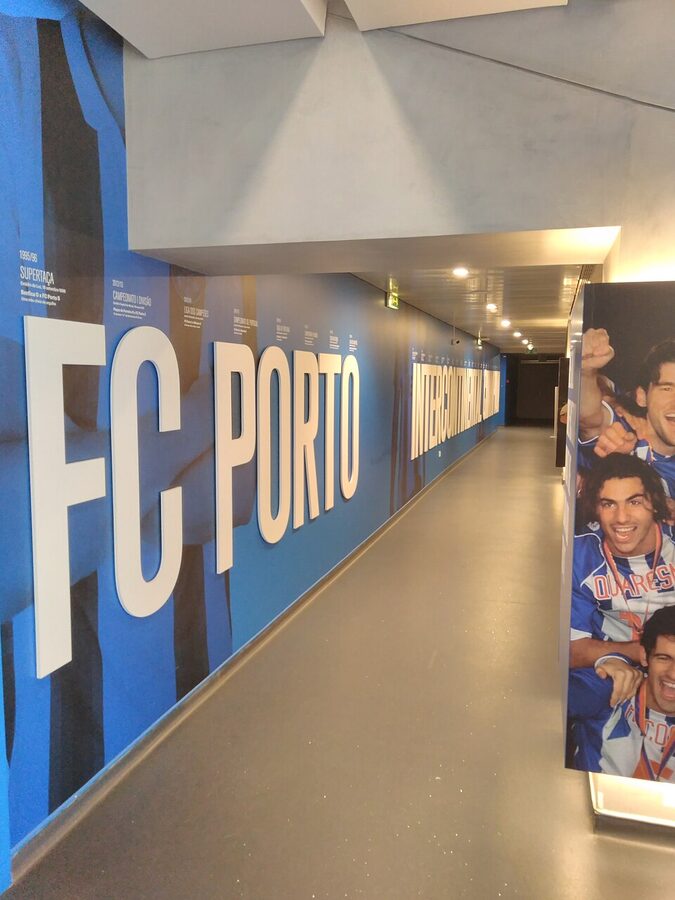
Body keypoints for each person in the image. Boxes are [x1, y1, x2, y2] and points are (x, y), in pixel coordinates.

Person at [570, 453, 675, 705]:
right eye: (608, 504)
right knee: (572, 695)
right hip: (614, 662)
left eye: (634, 502)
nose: (621, 518)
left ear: (656, 504)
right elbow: (572, 649)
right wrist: (620, 655)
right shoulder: (580, 554)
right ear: (596, 509)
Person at [569, 606, 675, 781]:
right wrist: (606, 660)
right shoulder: (610, 687)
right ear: (644, 656)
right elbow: (533, 695)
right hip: (589, 806)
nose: (672, 673)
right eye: (663, 658)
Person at [579, 329, 675, 504]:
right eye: (667, 388)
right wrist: (586, 371)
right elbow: (589, 418)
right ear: (642, 397)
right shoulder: (623, 434)